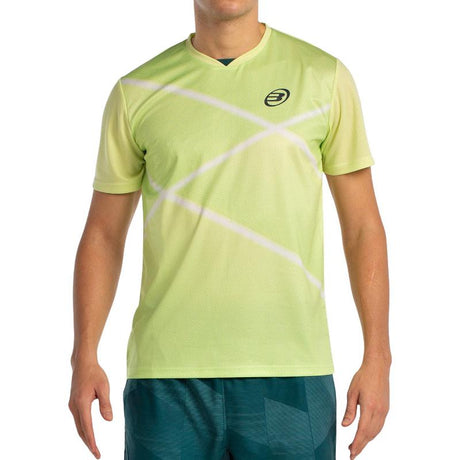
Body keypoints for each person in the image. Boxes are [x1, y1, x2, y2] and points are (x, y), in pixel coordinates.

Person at [68, 1, 391, 459]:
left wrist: (378, 358)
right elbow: (103, 234)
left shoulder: (323, 77)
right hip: (166, 379)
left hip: (291, 369)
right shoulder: (135, 92)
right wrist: (84, 356)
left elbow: (362, 227)